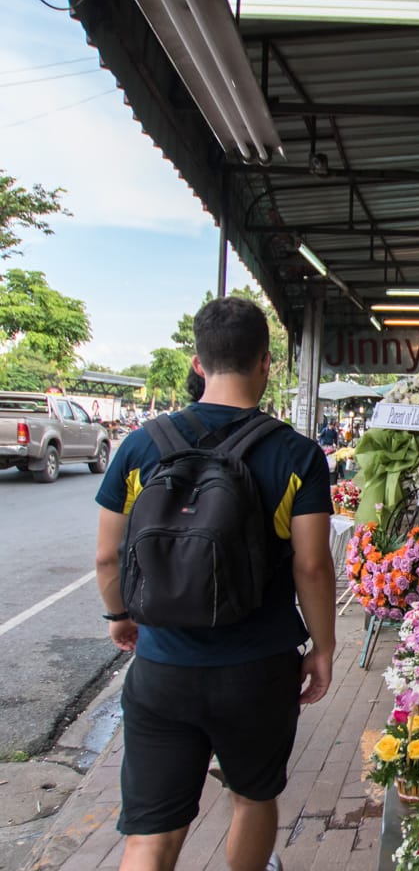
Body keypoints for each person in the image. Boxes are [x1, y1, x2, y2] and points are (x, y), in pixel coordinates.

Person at [94, 297, 335, 871]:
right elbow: (312, 567)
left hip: (162, 670)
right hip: (257, 669)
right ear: (266, 362)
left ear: (198, 362)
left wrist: (121, 616)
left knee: (151, 835)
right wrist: (323, 647)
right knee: (252, 798)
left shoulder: (139, 445)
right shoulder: (297, 454)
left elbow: (108, 556)